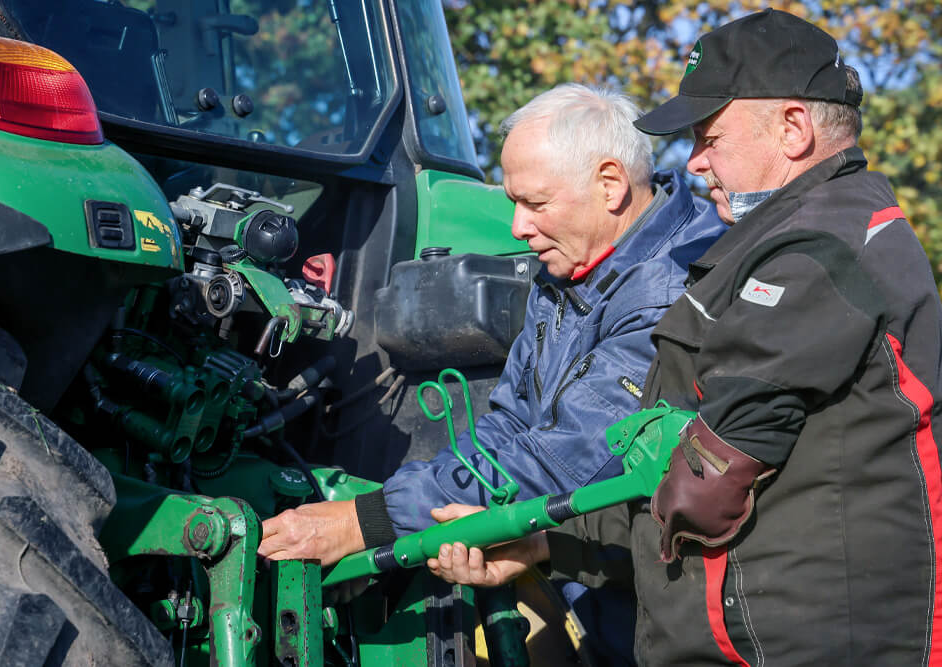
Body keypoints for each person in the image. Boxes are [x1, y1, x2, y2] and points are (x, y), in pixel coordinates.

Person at [429, 9, 942, 665]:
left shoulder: (818, 254)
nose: (695, 162)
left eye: (711, 137)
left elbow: (700, 485)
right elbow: (675, 473)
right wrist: (545, 546)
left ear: (794, 127)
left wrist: (537, 533)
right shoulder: (782, 246)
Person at [259, 84, 724, 659]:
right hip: (597, 575)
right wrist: (419, 518)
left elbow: (572, 459)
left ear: (609, 185)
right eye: (512, 203)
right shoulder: (568, 273)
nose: (516, 228)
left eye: (535, 203)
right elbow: (510, 425)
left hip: (680, 612)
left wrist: (367, 522)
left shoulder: (678, 288)